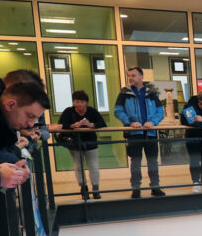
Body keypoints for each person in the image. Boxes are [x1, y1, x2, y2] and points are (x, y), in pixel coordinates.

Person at [113, 67, 165, 198]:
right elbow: (118, 111)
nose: (131, 78)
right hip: (134, 134)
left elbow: (160, 112)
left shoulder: (152, 93)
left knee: (153, 162)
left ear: (141, 77)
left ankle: (155, 187)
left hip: (150, 133)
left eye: (133, 75)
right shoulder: (124, 93)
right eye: (129, 76)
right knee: (135, 162)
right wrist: (130, 122)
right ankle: (136, 188)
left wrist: (152, 122)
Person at [55, 90, 106, 199]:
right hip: (75, 143)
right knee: (78, 166)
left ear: (86, 102)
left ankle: (96, 189)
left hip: (91, 142)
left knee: (94, 166)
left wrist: (90, 124)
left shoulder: (92, 111)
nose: (80, 105)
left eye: (82, 102)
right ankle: (83, 188)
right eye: (77, 102)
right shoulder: (69, 112)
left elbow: (102, 123)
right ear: (74, 102)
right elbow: (61, 125)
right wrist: (73, 126)